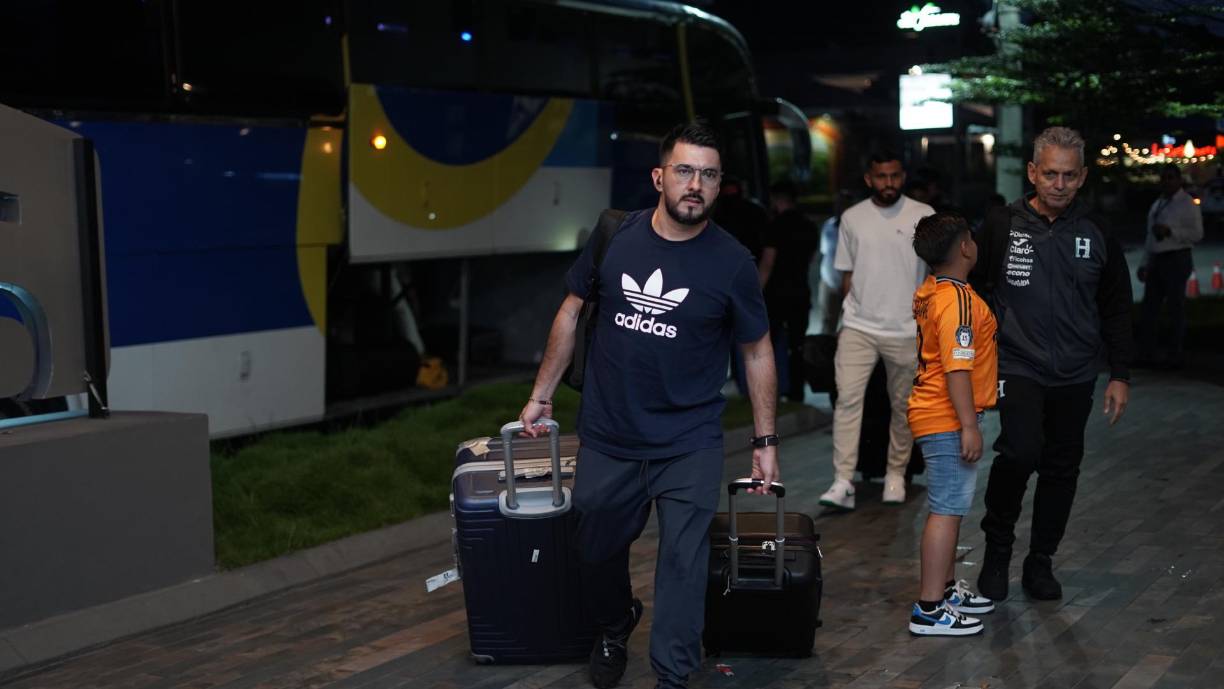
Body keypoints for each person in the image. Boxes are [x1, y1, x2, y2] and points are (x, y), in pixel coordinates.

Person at [518, 121, 778, 689]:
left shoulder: (732, 262)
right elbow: (569, 311)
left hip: (690, 441)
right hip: (610, 435)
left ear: (718, 185)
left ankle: (672, 676)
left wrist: (764, 442)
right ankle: (615, 622)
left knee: (683, 567)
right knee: (593, 547)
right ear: (659, 176)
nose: (695, 184)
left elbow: (756, 349)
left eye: (708, 175)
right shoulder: (616, 235)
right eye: (684, 171)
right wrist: (541, 395)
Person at [970, 126, 1133, 603]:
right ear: (1032, 173)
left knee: (1062, 467)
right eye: (1050, 174)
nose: (1059, 184)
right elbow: (974, 288)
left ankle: (1040, 562)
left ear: (1082, 177)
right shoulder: (1002, 225)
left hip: (1077, 373)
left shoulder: (1097, 232)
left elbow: (1117, 306)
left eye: (1068, 175)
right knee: (1019, 452)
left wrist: (1120, 374)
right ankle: (997, 553)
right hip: (1017, 365)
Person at [818, 151, 932, 510]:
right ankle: (842, 481)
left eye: (895, 175)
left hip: (905, 327)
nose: (889, 183)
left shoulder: (923, 216)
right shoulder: (852, 218)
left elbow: (933, 275)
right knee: (847, 401)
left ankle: (896, 475)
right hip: (858, 326)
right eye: (881, 176)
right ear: (869, 179)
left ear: (903, 175)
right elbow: (846, 275)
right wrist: (840, 322)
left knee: (903, 406)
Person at [906, 212, 998, 636]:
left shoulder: (934, 290)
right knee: (945, 508)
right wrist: (969, 425)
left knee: (952, 504)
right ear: (965, 247)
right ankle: (928, 608)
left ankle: (944, 591)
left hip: (936, 411)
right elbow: (956, 369)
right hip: (945, 414)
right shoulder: (957, 299)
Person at [1136, 163, 1204, 368]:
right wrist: (1145, 263)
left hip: (1177, 257)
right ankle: (1147, 352)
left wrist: (1171, 231)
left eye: (1170, 178)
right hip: (1157, 258)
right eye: (1163, 178)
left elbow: (1197, 234)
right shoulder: (1158, 204)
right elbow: (1150, 236)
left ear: (1179, 180)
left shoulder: (1187, 203)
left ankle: (1176, 353)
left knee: (1175, 308)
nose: (1166, 182)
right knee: (1150, 308)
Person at [759, 179, 820, 401]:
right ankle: (796, 391)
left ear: (776, 199)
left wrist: (756, 292)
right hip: (800, 293)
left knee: (771, 346)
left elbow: (767, 263)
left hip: (775, 295)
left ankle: (774, 389)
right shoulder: (809, 225)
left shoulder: (774, 226)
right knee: (797, 345)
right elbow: (811, 258)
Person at [713, 175, 770, 396]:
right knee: (749, 341)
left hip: (722, 281)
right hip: (740, 281)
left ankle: (738, 383)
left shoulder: (717, 212)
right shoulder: (754, 212)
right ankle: (744, 385)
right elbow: (767, 251)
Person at [816, 190, 855, 334]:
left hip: (852, 285)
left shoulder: (858, 227)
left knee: (850, 325)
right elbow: (825, 253)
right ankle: (825, 355)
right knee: (827, 323)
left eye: (844, 204)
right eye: (837, 204)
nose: (840, 207)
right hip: (829, 283)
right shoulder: (829, 225)